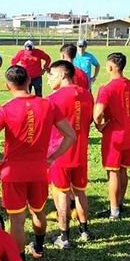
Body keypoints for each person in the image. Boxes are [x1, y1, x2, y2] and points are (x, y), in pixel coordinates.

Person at [0, 66, 75, 259]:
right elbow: (70, 135)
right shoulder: (48, 105)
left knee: (17, 221)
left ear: (7, 86)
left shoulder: (4, 110)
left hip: (13, 173)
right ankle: (39, 247)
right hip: (39, 171)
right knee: (39, 212)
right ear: (29, 82)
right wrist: (52, 157)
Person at [46, 60, 94, 247]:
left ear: (62, 75)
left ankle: (64, 237)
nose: (49, 79)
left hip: (60, 154)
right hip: (80, 152)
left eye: (51, 75)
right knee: (80, 192)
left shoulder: (53, 99)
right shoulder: (87, 95)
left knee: (62, 194)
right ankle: (84, 231)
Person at [93, 52, 130, 220]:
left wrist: (99, 126)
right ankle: (120, 203)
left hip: (114, 135)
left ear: (111, 66)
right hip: (129, 133)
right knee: (123, 169)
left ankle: (114, 211)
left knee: (113, 172)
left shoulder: (107, 88)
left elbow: (97, 114)